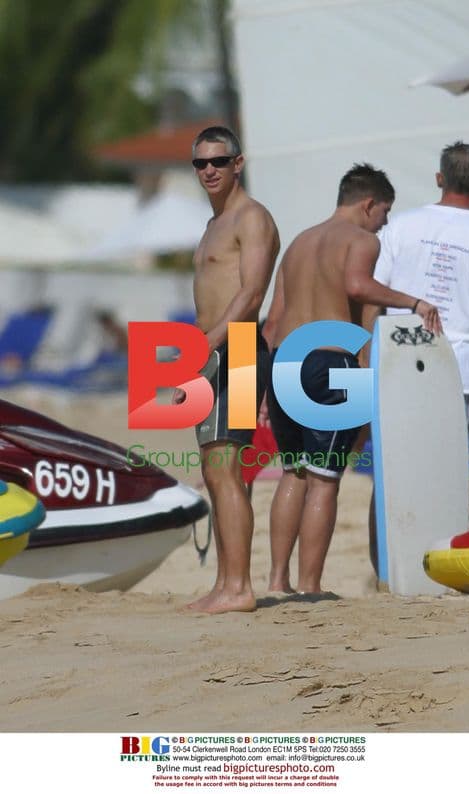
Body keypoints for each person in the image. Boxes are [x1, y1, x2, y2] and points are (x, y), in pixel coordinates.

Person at [264, 163, 442, 594]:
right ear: (368, 204)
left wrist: (266, 392)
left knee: (293, 473)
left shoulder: (299, 242)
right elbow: (358, 287)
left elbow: (272, 321)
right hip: (330, 362)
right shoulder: (361, 241)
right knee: (326, 479)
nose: (384, 224)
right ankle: (310, 587)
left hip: (283, 360)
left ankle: (277, 582)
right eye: (384, 213)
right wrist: (414, 301)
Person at [178, 125, 280, 614]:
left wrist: (209, 347)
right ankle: (225, 583)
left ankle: (239, 588)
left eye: (218, 161)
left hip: (236, 347)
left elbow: (252, 295)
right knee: (215, 470)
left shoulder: (252, 218)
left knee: (226, 470)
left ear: (238, 163)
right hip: (213, 350)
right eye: (200, 163)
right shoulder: (211, 224)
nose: (209, 171)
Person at [370, 141, 469, 446]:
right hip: (467, 375)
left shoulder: (398, 226)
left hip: (403, 369)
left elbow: (372, 299)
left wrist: (368, 365)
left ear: (439, 178)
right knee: (463, 480)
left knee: (402, 477)